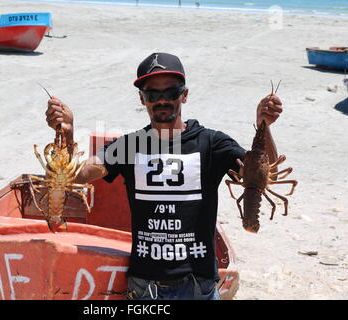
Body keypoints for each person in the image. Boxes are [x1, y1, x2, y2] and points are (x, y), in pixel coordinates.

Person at [45, 52, 283, 300]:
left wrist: (264, 126)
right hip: (145, 286)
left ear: (185, 95)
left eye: (171, 93)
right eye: (152, 94)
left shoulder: (212, 142)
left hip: (198, 285)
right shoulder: (129, 146)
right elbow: (77, 174)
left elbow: (261, 173)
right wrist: (68, 132)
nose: (162, 100)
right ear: (142, 98)